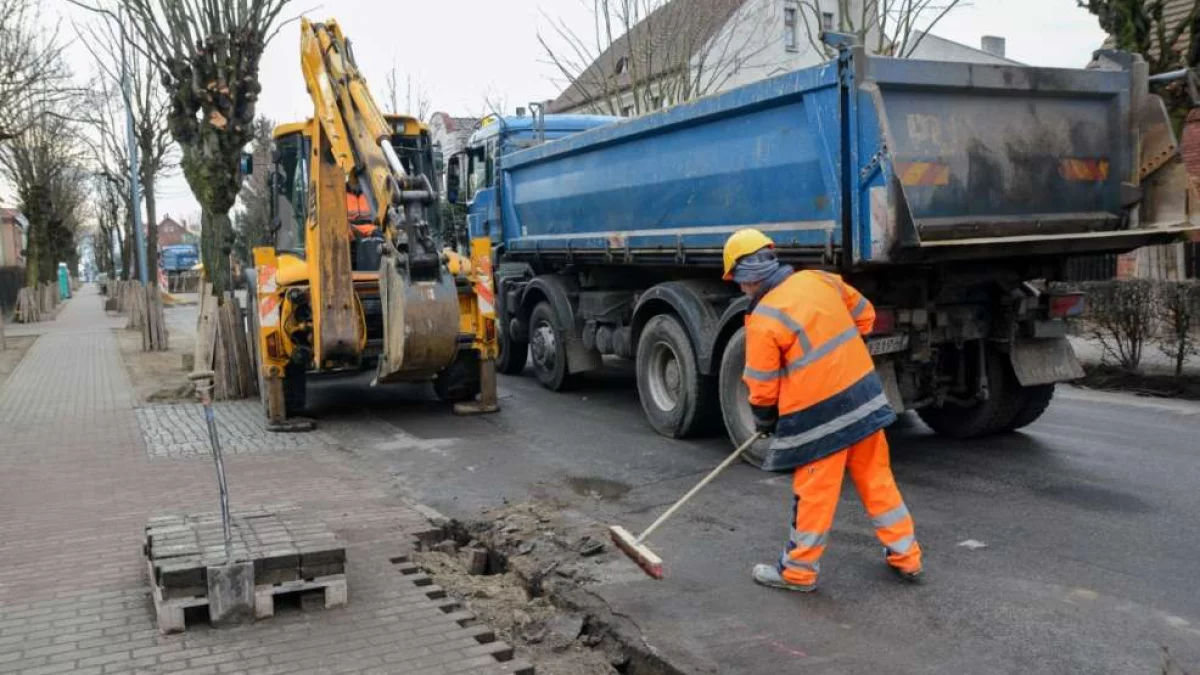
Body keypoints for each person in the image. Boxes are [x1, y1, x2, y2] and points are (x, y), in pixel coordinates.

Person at [722, 228, 923, 592]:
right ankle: (907, 557)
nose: (740, 289)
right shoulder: (819, 280)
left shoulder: (764, 320)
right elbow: (865, 315)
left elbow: (763, 387)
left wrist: (765, 420)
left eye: (738, 281)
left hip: (820, 416)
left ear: (748, 276)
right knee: (877, 480)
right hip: (864, 399)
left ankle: (798, 572)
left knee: (814, 493)